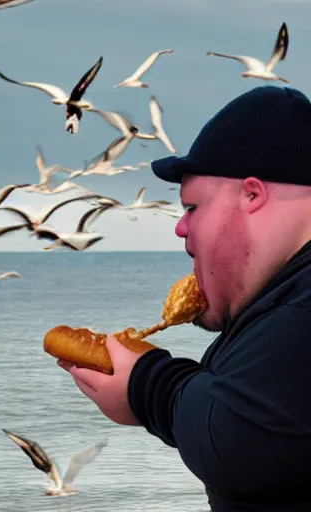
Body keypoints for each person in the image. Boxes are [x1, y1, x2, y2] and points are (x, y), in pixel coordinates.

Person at [57, 85, 311, 511]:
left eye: (193, 207)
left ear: (252, 194)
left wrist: (145, 385)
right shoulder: (278, 307)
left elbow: (238, 443)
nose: (180, 228)